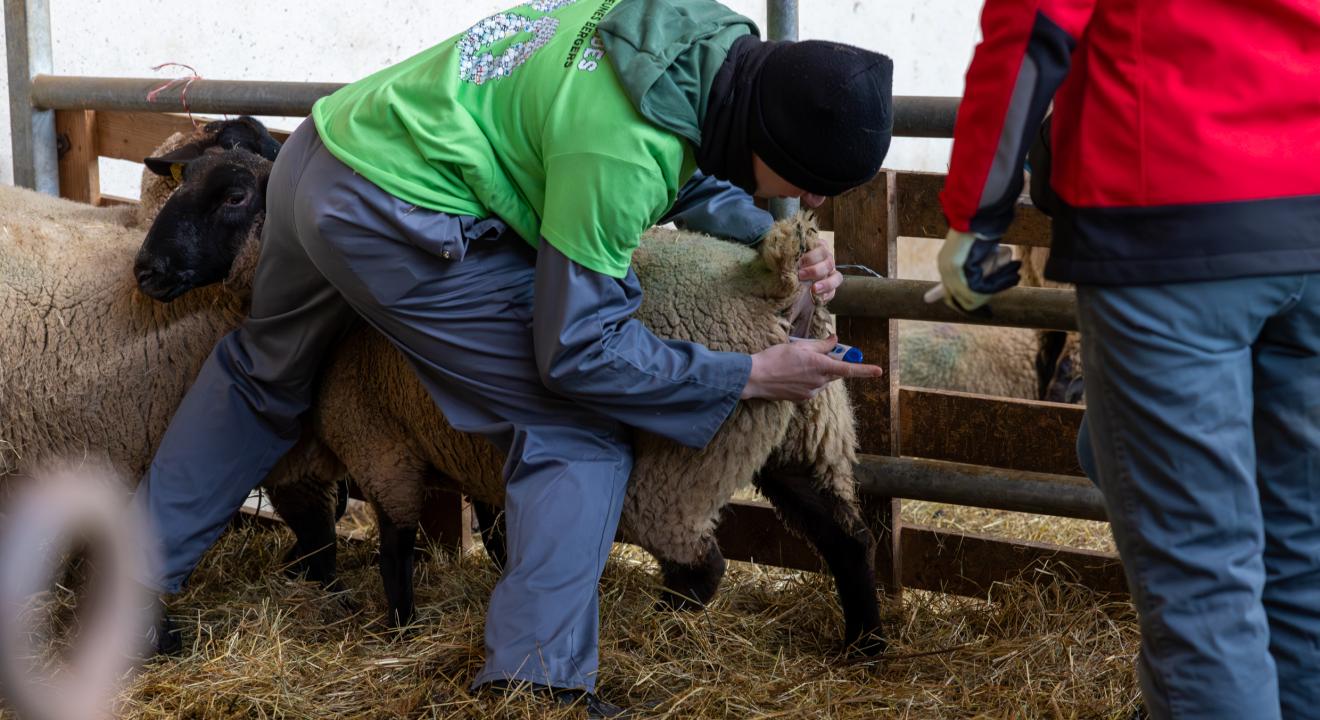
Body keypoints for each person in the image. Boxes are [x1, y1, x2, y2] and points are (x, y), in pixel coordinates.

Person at [130, 0, 894, 714]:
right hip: (393, 218)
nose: (815, 204)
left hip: (324, 154)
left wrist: (760, 232)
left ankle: (127, 592)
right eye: (814, 185)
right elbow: (580, 352)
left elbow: (687, 151)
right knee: (576, 430)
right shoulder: (618, 153)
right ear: (771, 138)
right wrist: (749, 375)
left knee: (263, 372)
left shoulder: (700, 35)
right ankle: (538, 683)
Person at [934, 1, 1320, 718]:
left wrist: (975, 211)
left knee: (1203, 589)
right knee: (1303, 567)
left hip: (1169, 214)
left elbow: (1034, 20)